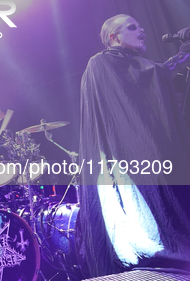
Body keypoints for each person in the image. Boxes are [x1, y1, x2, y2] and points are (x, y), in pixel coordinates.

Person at [79, 14, 190, 277]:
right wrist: (183, 55)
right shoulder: (103, 62)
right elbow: (152, 78)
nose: (142, 30)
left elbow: (156, 82)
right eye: (132, 27)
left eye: (141, 26)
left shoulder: (131, 63)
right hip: (127, 160)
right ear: (113, 37)